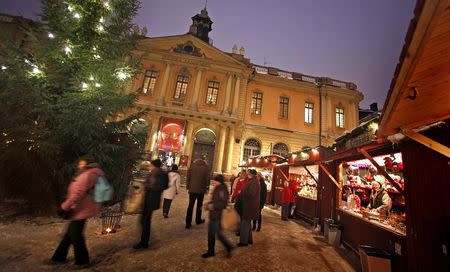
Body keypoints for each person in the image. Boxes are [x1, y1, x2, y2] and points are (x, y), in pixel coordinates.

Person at [51, 156, 103, 267]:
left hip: (81, 208)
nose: (79, 165)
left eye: (81, 163)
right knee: (70, 234)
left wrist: (64, 207)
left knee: (76, 236)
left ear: (87, 164)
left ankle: (83, 261)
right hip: (81, 207)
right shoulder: (90, 174)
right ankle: (59, 257)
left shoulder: (86, 175)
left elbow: (77, 194)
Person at [134, 159, 168, 249]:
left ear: (154, 165)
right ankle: (144, 240)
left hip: (150, 199)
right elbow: (164, 186)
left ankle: (144, 242)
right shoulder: (160, 173)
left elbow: (156, 186)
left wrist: (147, 186)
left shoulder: (156, 173)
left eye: (151, 165)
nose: (149, 167)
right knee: (145, 220)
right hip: (152, 199)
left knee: (144, 220)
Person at [202, 175, 234, 258]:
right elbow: (214, 200)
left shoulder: (222, 189)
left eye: (215, 181)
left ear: (219, 181)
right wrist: (208, 204)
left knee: (217, 234)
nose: (213, 182)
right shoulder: (217, 188)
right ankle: (211, 251)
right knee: (212, 234)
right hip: (214, 214)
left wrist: (212, 206)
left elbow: (223, 203)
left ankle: (228, 247)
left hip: (218, 215)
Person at [185, 155, 210, 229]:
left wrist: (188, 186)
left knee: (190, 205)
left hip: (192, 189)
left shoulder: (192, 166)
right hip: (201, 189)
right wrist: (207, 187)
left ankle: (188, 223)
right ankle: (198, 219)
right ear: (204, 160)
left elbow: (188, 177)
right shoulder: (205, 167)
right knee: (199, 205)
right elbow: (207, 178)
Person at [237, 169, 260, 247]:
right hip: (249, 206)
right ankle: (249, 240)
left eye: (248, 174)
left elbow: (251, 193)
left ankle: (243, 242)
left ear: (252, 174)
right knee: (247, 224)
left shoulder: (254, 182)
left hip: (249, 206)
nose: (247, 175)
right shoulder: (253, 181)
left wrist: (242, 192)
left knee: (244, 223)